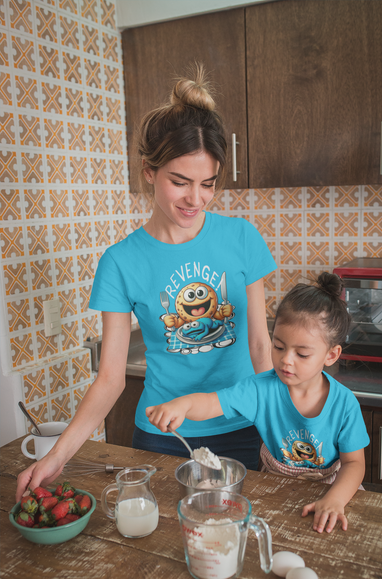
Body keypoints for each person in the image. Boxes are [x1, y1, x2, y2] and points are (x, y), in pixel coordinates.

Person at [15, 64, 276, 500]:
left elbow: (260, 347)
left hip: (245, 426)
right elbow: (111, 378)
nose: (196, 199)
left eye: (207, 184)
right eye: (180, 182)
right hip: (162, 437)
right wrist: (57, 456)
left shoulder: (242, 238)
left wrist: (275, 426)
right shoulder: (120, 262)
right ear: (149, 171)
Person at [146, 272, 370, 534]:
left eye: (302, 354)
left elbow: (354, 464)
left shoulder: (344, 404)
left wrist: (335, 500)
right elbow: (212, 402)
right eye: (278, 346)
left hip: (333, 490)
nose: (286, 360)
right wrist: (182, 405)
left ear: (331, 355)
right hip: (275, 487)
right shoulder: (260, 389)